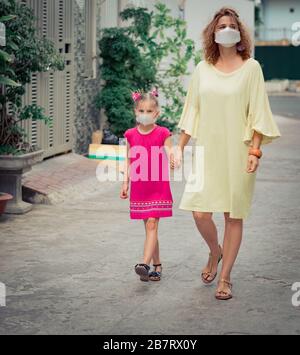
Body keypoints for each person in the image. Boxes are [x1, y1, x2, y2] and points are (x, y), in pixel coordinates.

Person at [173, 7, 281, 300]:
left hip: (239, 151)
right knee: (199, 212)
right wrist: (179, 147)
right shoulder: (202, 69)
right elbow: (192, 109)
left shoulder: (252, 68)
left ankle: (225, 277)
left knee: (233, 216)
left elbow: (257, 113)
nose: (226, 30)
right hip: (207, 151)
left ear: (240, 33)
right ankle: (215, 251)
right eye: (221, 26)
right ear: (213, 33)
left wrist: (254, 152)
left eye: (232, 25)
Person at [120, 88, 174, 282]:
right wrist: (125, 183)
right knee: (150, 228)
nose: (145, 115)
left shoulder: (163, 133)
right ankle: (157, 265)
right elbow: (128, 160)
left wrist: (174, 158)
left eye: (149, 111)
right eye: (141, 111)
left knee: (152, 223)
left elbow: (170, 151)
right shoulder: (130, 135)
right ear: (135, 112)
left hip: (158, 186)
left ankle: (144, 263)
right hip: (140, 188)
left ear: (156, 113)